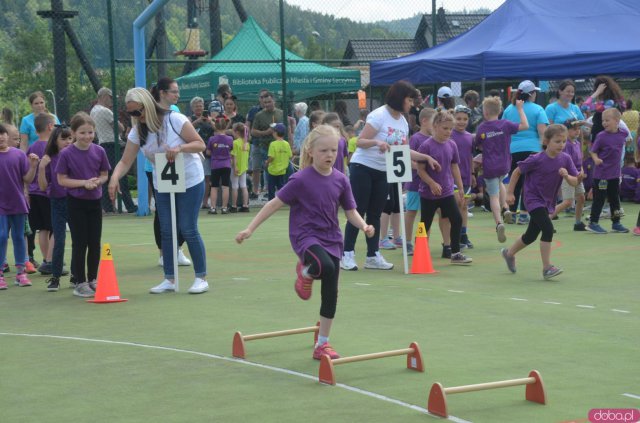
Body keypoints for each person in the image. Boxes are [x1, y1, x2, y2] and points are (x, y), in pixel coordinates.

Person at [235, 124, 374, 360]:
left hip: (332, 238)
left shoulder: (341, 180)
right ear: (310, 151)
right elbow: (273, 204)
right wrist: (250, 228)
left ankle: (323, 344)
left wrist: (363, 225)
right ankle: (306, 271)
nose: (329, 155)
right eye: (324, 151)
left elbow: (350, 210)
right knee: (324, 266)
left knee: (331, 291)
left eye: (333, 151)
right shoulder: (300, 179)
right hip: (305, 236)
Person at [108, 87, 209, 294]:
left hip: (190, 178)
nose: (136, 117)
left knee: (188, 227)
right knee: (167, 229)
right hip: (163, 181)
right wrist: (114, 177)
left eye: (138, 112)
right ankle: (169, 279)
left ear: (149, 106)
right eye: (131, 113)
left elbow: (200, 144)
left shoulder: (176, 120)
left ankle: (201, 277)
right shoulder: (138, 131)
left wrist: (180, 148)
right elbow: (126, 161)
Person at [341, 80, 440, 271]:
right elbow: (359, 141)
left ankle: (372, 256)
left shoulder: (403, 121)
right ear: (400, 98)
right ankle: (347, 254)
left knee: (376, 213)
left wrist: (425, 157)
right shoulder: (378, 116)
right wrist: (377, 144)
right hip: (363, 167)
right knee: (358, 211)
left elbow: (403, 150)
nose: (411, 104)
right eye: (409, 100)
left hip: (384, 171)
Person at [501, 124, 578, 280]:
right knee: (548, 229)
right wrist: (509, 192)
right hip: (532, 199)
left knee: (531, 235)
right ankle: (546, 268)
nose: (561, 145)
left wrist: (566, 176)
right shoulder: (536, 159)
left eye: (564, 142)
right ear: (546, 141)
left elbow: (575, 181)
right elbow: (516, 172)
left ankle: (509, 253)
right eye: (557, 141)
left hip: (548, 201)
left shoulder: (565, 159)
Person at [57, 113, 111, 297]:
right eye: (82, 132)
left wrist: (99, 181)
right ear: (73, 133)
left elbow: (104, 173)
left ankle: (93, 279)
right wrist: (83, 183)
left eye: (90, 132)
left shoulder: (99, 151)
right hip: (76, 203)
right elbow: (62, 180)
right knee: (80, 243)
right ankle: (80, 282)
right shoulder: (66, 154)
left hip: (95, 202)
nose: (87, 136)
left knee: (94, 242)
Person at [417, 110, 472, 265]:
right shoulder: (426, 146)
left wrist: (460, 187)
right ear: (435, 126)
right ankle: (420, 254)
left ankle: (455, 254)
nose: (448, 132)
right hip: (428, 194)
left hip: (447, 191)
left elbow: (454, 167)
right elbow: (420, 170)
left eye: (450, 129)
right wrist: (432, 183)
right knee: (424, 224)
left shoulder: (452, 144)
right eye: (445, 128)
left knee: (457, 219)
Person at [475, 96, 528, 242]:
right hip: (504, 164)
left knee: (493, 195)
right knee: (501, 183)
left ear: (485, 113)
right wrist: (520, 109)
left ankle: (499, 222)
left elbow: (477, 143)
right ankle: (506, 209)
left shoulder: (482, 128)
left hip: (490, 166)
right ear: (499, 111)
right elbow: (525, 125)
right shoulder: (505, 124)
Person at [151, 79, 192, 267]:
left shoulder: (176, 114)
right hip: (156, 165)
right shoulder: (149, 114)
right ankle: (163, 253)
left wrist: (180, 149)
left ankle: (177, 248)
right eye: (174, 91)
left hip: (178, 165)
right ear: (162, 93)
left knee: (182, 210)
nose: (177, 95)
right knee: (163, 213)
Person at [503, 80, 549, 225]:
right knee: (529, 183)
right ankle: (524, 214)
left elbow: (504, 130)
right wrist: (545, 150)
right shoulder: (538, 109)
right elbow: (543, 132)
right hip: (533, 150)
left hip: (513, 150)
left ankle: (512, 212)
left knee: (514, 181)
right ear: (532, 94)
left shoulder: (508, 110)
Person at [0, 124, 39, 290]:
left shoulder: (18, 155)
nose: (1, 137)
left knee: (18, 237)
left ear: (7, 136)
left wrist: (33, 166)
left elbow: (28, 179)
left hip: (18, 204)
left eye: (2, 134)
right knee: (1, 236)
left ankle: (21, 273)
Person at [37, 124, 73, 291]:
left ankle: (77, 275)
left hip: (75, 201)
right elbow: (43, 187)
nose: (67, 142)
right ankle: (55, 277)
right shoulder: (49, 158)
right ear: (55, 141)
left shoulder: (75, 155)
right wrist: (42, 167)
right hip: (57, 202)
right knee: (59, 239)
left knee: (79, 240)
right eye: (63, 139)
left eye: (69, 138)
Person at [91, 87, 137, 214]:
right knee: (121, 176)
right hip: (112, 144)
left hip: (102, 144)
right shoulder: (105, 111)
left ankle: (108, 206)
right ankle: (130, 206)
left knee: (107, 175)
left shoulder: (93, 111)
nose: (112, 101)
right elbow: (120, 128)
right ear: (104, 96)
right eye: (111, 97)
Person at [586, 108, 629, 234]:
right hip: (602, 175)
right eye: (603, 120)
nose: (604, 123)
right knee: (599, 198)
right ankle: (593, 223)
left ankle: (616, 223)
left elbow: (627, 139)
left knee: (615, 199)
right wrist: (596, 159)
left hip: (615, 175)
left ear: (617, 121)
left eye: (607, 120)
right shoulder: (601, 136)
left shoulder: (623, 133)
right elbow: (593, 151)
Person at [404, 107, 436, 255]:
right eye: (433, 122)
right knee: (411, 212)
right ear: (424, 121)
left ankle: (423, 244)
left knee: (426, 215)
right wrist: (422, 168)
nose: (435, 126)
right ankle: (407, 242)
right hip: (415, 184)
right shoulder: (416, 138)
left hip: (428, 184)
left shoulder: (435, 139)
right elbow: (407, 160)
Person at [26, 113, 54, 274]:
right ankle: (50, 259)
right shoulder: (51, 147)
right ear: (50, 126)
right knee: (52, 228)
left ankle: (45, 259)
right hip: (47, 192)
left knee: (42, 229)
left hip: (34, 192)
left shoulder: (33, 146)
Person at [550, 119, 588, 231]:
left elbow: (579, 159)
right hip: (568, 176)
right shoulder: (565, 145)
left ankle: (578, 223)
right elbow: (565, 161)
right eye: (574, 129)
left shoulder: (577, 143)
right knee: (568, 202)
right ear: (566, 131)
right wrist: (571, 175)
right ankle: (546, 221)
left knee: (581, 198)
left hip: (577, 175)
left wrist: (581, 170)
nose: (577, 131)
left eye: (578, 129)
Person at [250, 91, 283, 199]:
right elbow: (253, 131)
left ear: (274, 100)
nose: (267, 104)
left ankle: (283, 193)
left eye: (269, 102)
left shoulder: (281, 113)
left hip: (281, 148)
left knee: (283, 169)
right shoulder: (259, 115)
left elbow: (289, 130)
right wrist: (265, 132)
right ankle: (271, 193)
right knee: (269, 170)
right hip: (266, 147)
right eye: (265, 103)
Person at [451, 105, 475, 248]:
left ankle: (463, 235)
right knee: (455, 207)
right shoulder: (450, 135)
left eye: (465, 119)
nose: (461, 122)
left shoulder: (469, 137)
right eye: (458, 118)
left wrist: (472, 173)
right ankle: (454, 237)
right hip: (451, 178)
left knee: (464, 206)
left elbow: (470, 157)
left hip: (466, 176)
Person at [190, 96, 214, 208]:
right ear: (192, 108)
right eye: (196, 106)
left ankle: (205, 202)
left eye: (200, 105)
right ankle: (196, 202)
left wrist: (210, 122)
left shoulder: (210, 118)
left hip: (208, 153)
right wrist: (197, 121)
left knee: (207, 178)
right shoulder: (189, 119)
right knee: (194, 177)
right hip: (194, 153)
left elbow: (218, 129)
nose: (199, 108)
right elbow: (187, 128)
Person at [206, 116, 233, 214]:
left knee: (214, 187)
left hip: (215, 165)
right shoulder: (230, 139)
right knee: (225, 186)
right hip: (226, 165)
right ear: (226, 126)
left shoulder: (212, 139)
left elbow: (208, 152)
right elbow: (231, 149)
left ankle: (213, 208)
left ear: (215, 127)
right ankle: (224, 208)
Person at [265, 123, 292, 200]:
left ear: (276, 133)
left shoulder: (273, 144)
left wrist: (267, 162)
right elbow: (290, 155)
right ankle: (283, 200)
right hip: (282, 171)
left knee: (271, 188)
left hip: (273, 171)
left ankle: (271, 201)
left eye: (273, 131)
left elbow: (271, 157)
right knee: (281, 187)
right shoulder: (286, 144)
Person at [230, 122, 250, 212]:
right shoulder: (246, 143)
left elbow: (234, 156)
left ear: (237, 132)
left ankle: (234, 206)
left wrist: (235, 167)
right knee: (244, 186)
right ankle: (245, 205)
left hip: (236, 167)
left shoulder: (235, 143)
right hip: (244, 167)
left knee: (235, 186)